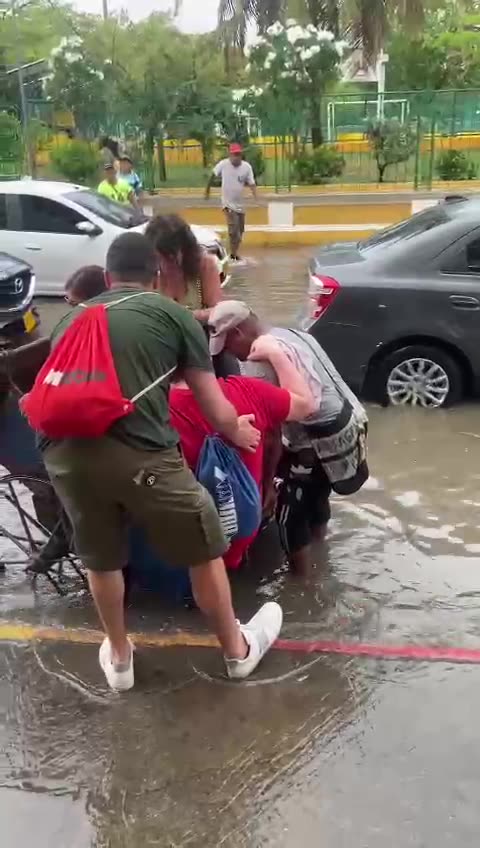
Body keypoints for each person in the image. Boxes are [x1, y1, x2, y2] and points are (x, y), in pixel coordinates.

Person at [40, 233, 282, 690]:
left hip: (64, 455)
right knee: (203, 542)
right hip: (142, 457)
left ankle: (120, 659)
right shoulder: (173, 314)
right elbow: (213, 406)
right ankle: (237, 651)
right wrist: (237, 430)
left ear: (107, 277)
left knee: (102, 558)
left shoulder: (70, 319)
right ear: (155, 277)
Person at [208, 301, 369, 576]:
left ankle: (303, 585)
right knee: (317, 496)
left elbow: (272, 434)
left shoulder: (258, 363)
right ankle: (320, 552)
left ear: (238, 333)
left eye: (227, 345)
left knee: (288, 517)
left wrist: (268, 485)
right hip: (351, 423)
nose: (229, 354)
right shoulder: (292, 334)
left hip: (317, 441)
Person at [170, 343, 315, 569]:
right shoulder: (248, 390)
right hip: (242, 521)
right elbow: (306, 405)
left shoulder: (152, 410)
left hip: (188, 534)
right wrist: (276, 354)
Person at [145, 213, 239, 379]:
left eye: (170, 257)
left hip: (201, 341)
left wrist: (183, 315)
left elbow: (218, 311)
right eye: (160, 258)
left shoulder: (205, 265)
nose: (165, 264)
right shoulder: (149, 273)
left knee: (226, 357)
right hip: (164, 343)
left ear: (185, 250)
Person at [205, 143, 257, 262]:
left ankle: (233, 254)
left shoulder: (246, 167)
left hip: (240, 205)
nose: (236, 157)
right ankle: (230, 255)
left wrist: (256, 197)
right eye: (234, 155)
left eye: (238, 155)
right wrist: (207, 190)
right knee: (234, 231)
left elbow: (252, 183)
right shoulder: (223, 165)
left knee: (240, 231)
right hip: (227, 204)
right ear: (230, 155)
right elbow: (212, 175)